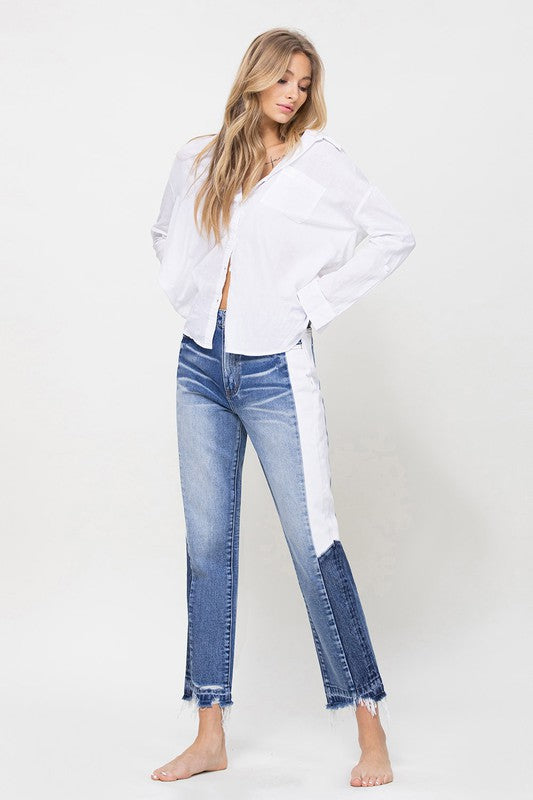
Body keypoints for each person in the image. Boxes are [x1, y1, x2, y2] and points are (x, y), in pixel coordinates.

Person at [149, 27, 415, 788]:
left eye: (303, 80)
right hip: (200, 365)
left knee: (313, 545)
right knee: (207, 549)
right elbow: (166, 232)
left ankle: (370, 727)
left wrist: (307, 303)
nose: (293, 92)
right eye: (283, 78)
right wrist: (196, 299)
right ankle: (209, 735)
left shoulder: (316, 163)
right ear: (254, 79)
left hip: (274, 371)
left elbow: (391, 236)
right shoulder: (199, 158)